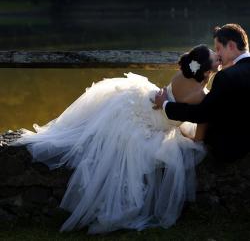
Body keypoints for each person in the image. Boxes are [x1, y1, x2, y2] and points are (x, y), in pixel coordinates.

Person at [10, 45, 220, 234]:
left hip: (144, 103)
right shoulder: (200, 96)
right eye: (215, 57)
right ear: (207, 70)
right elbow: (194, 131)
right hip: (151, 125)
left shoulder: (181, 75)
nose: (219, 58)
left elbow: (173, 103)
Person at [153, 23, 250, 162]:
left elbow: (202, 114)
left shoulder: (226, 77)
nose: (218, 54)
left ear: (231, 46)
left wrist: (165, 105)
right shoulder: (231, 74)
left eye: (218, 48)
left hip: (228, 149)